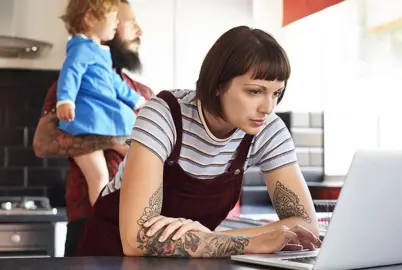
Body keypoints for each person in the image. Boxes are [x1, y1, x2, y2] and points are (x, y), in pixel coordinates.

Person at [76, 25, 322, 257]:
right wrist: (251, 241)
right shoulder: (164, 114)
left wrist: (211, 239)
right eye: (254, 91)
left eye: (276, 93)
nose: (268, 107)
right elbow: (136, 239)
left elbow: (306, 228)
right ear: (217, 84)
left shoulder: (267, 130)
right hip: (109, 258)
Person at [32, 0, 153, 256]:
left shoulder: (141, 93)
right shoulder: (71, 87)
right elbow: (43, 142)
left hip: (139, 226)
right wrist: (113, 141)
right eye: (129, 21)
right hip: (87, 224)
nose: (139, 30)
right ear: (111, 25)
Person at [57, 0, 146, 209]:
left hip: (131, 222)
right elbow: (69, 74)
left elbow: (114, 82)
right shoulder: (80, 49)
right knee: (98, 177)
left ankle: (113, 213)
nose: (115, 23)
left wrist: (136, 100)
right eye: (114, 17)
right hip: (86, 125)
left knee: (138, 159)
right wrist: (65, 99)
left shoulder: (99, 54)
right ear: (89, 19)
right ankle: (101, 217)